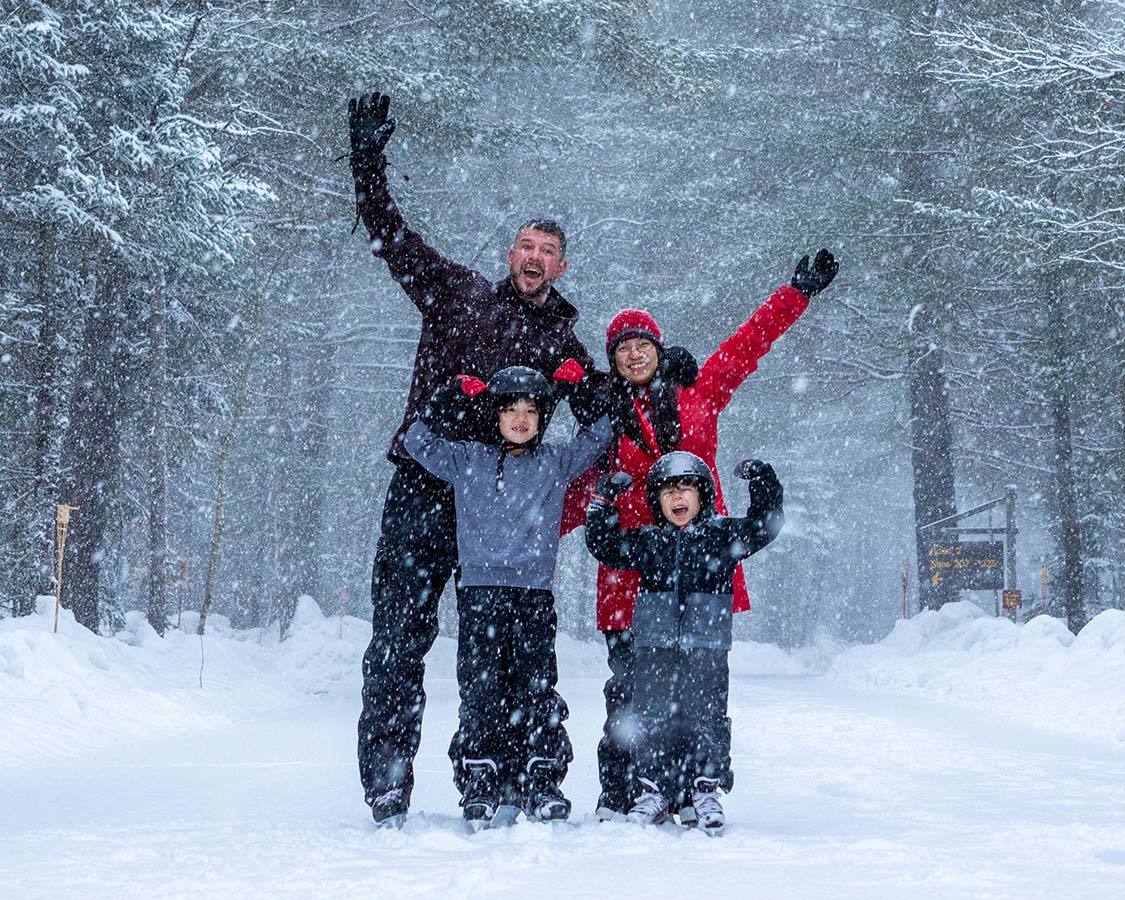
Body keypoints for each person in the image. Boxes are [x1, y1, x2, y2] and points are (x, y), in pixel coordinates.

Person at [347, 91, 597, 828]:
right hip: (426, 492)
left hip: (500, 517)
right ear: (509, 254)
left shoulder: (563, 347)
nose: (535, 258)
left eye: (548, 251)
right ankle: (388, 783)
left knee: (507, 660)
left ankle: (507, 776)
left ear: (560, 265)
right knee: (398, 640)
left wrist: (659, 384)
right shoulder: (456, 296)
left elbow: (608, 415)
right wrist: (367, 163)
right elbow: (391, 237)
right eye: (526, 245)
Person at [564, 249, 839, 822]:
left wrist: (797, 294)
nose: (634, 354)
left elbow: (748, 345)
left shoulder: (699, 393)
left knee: (699, 687)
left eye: (643, 344)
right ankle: (626, 791)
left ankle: (693, 787)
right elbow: (571, 483)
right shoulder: (605, 417)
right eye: (623, 348)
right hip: (633, 566)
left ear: (659, 350)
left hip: (703, 564)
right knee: (631, 687)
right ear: (613, 362)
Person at [403, 364, 612, 828]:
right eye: (510, 409)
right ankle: (481, 776)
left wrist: (578, 390)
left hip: (533, 593)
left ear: (542, 419)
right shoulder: (467, 459)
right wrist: (448, 395)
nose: (521, 417)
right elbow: (416, 440)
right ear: (494, 415)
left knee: (535, 687)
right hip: (479, 593)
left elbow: (600, 436)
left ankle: (540, 777)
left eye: (531, 410)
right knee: (482, 689)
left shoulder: (554, 463)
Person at [584, 452, 786, 834]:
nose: (677, 498)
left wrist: (762, 479)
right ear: (656, 502)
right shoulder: (650, 541)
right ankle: (654, 790)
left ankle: (705, 789)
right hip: (655, 647)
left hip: (706, 647)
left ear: (702, 494)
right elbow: (605, 545)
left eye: (686, 489)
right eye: (668, 492)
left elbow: (766, 524)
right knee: (654, 718)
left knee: (705, 717)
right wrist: (604, 500)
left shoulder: (723, 537)